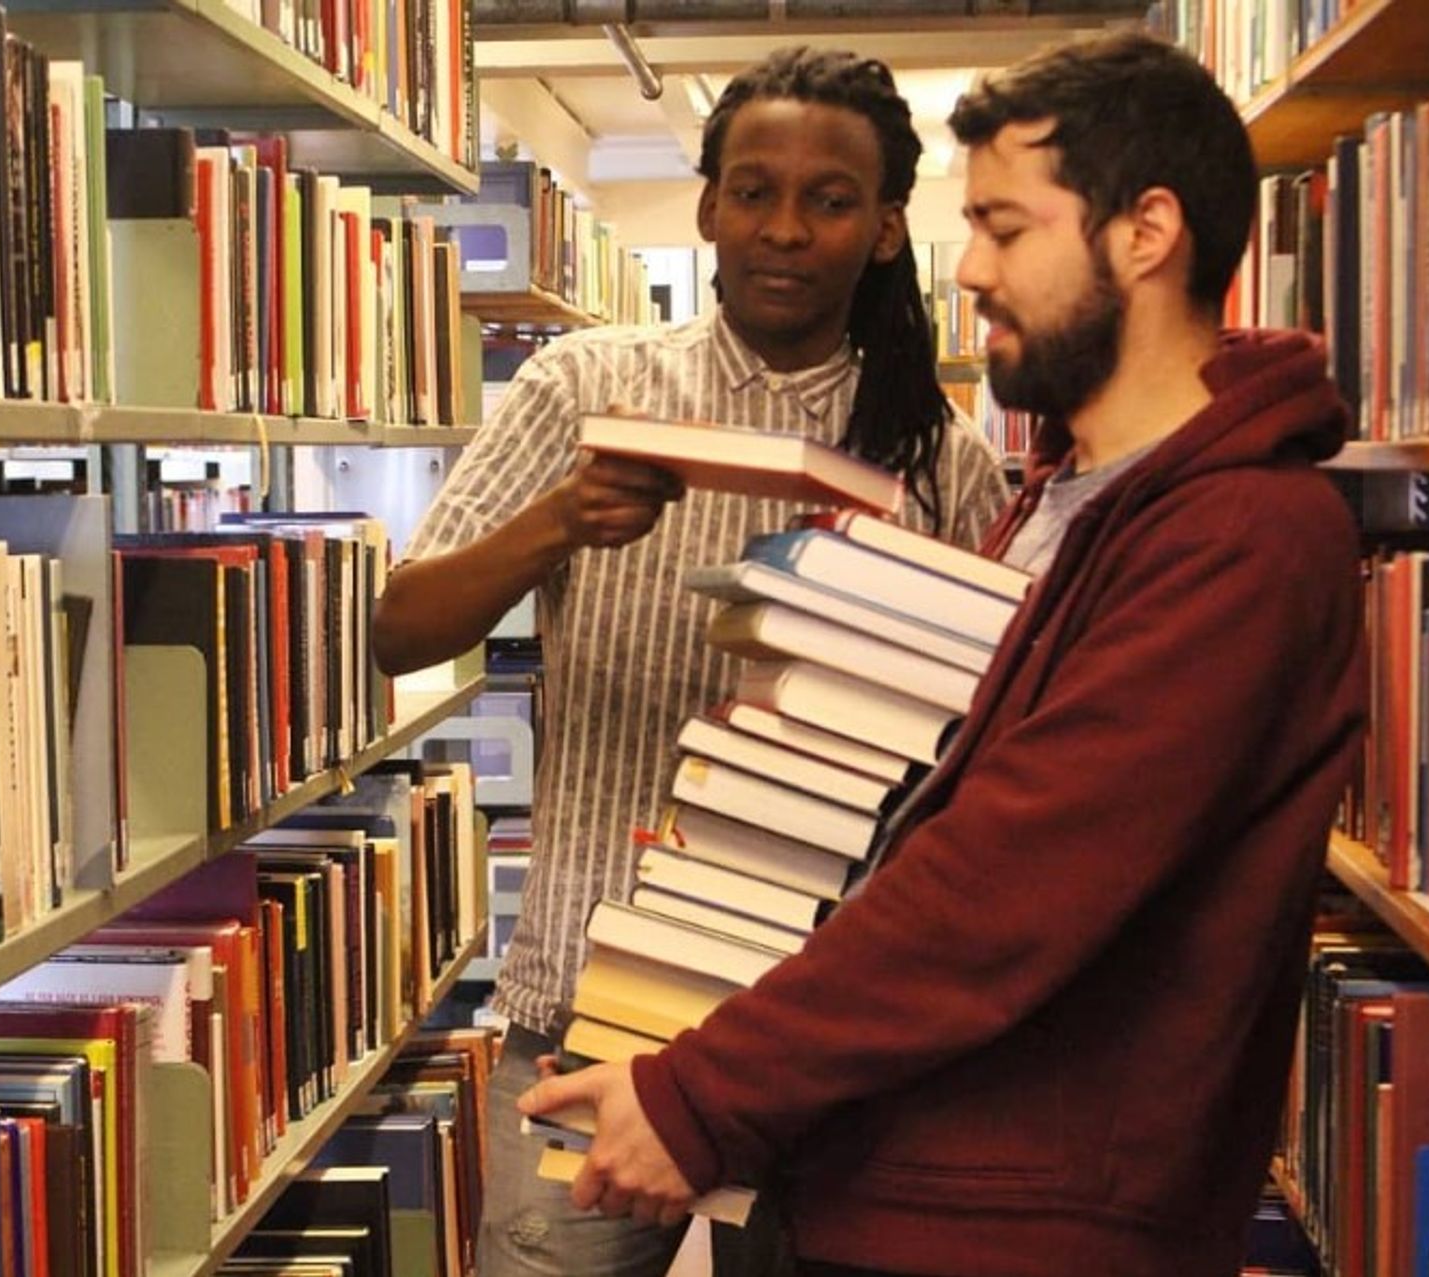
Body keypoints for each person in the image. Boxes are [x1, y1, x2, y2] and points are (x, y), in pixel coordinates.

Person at [518, 30, 1369, 1277]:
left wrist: (707, 1089)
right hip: (910, 1168)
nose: (964, 268)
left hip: (1019, 1221)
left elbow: (1008, 881)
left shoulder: (1241, 534)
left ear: (1145, 233)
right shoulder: (1068, 500)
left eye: (1007, 228)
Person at [372, 47, 1012, 1277]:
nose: (783, 229)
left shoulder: (940, 456)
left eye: (829, 201)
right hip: (583, 1014)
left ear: (885, 232)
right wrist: (560, 518)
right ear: (708, 206)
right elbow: (401, 630)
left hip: (825, 1038)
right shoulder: (587, 385)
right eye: (753, 190)